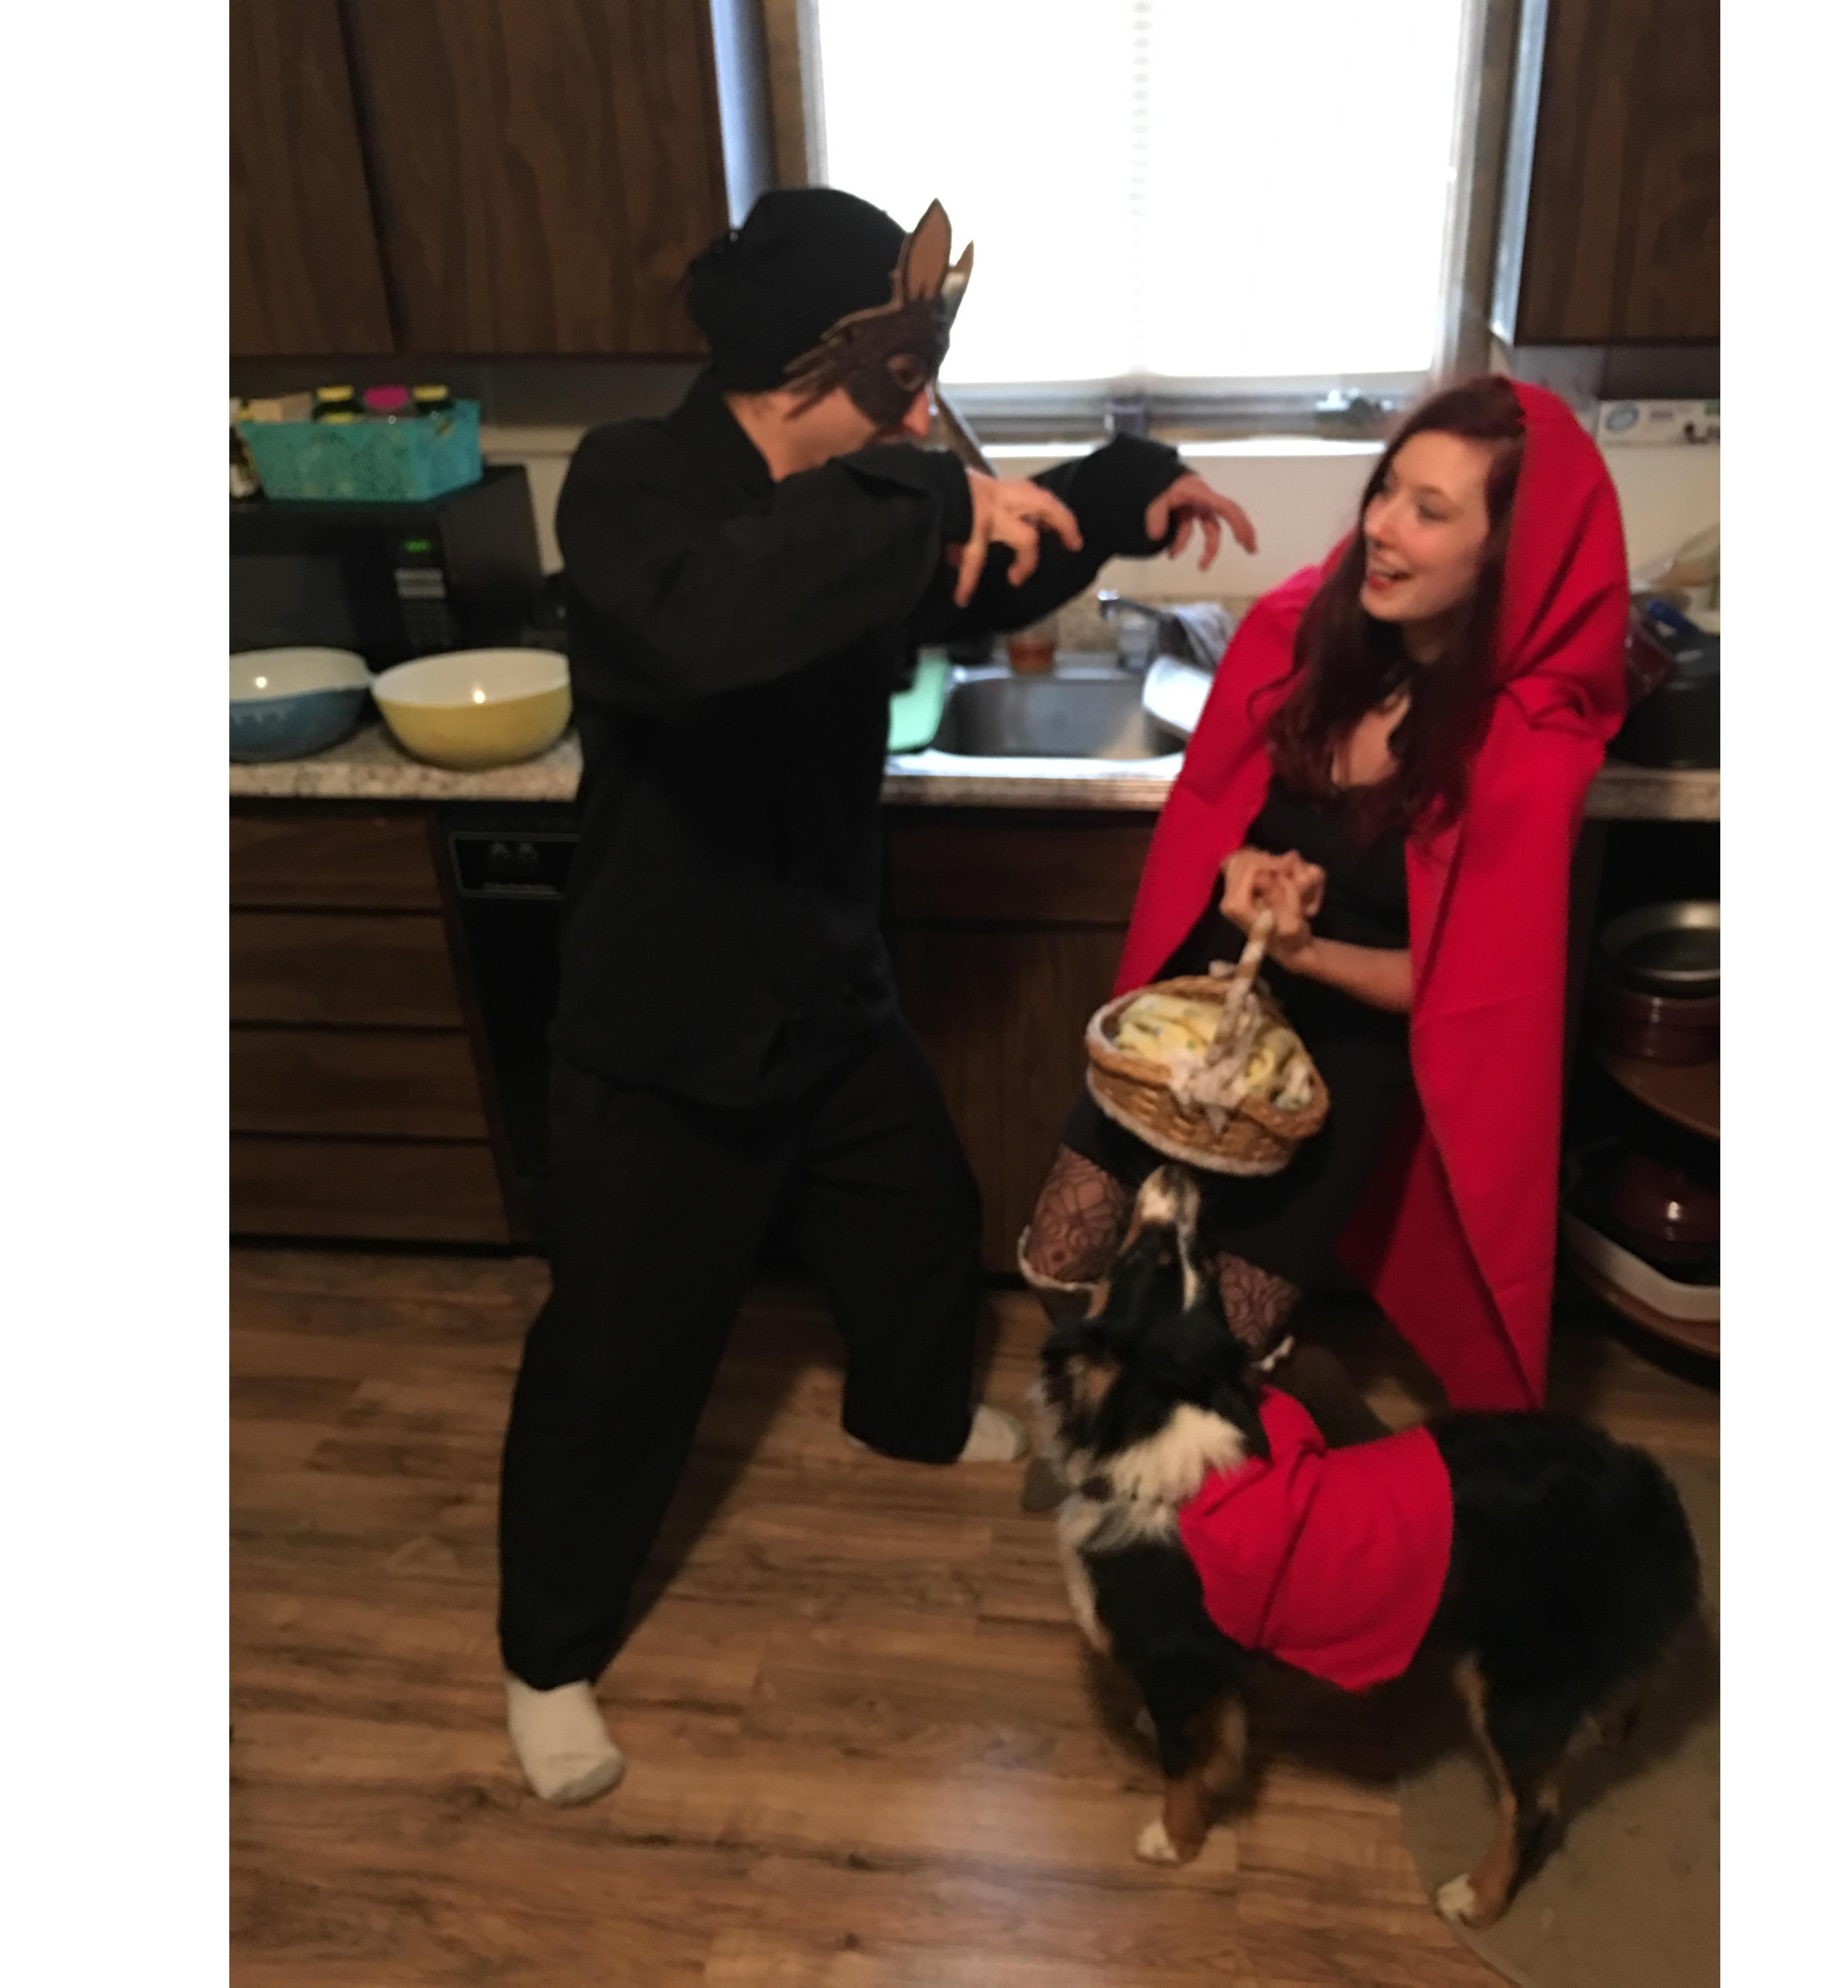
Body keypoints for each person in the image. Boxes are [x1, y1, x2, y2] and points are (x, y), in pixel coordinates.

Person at [497, 187, 1256, 1805]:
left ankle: (908, 1419)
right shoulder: (636, 484)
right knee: (618, 1356)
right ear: (805, 367)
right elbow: (700, 631)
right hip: (663, 1022)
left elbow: (987, 566)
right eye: (904, 380)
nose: (925, 415)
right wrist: (921, 494)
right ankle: (547, 1653)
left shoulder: (872, 499)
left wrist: (1120, 488)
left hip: (827, 984)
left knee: (919, 1215)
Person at [1019, 375, 1628, 1479]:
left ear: (1507, 554)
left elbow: (1459, 987)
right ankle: (1115, 1432)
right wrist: (1243, 874)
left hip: (1343, 1064)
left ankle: (1267, 1449)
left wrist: (1306, 949)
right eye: (1386, 490)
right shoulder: (1311, 633)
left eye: (1429, 511)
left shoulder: (1526, 746)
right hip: (1202, 1012)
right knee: (1063, 1251)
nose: (1381, 527)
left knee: (1222, 1347)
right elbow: (1218, 817)